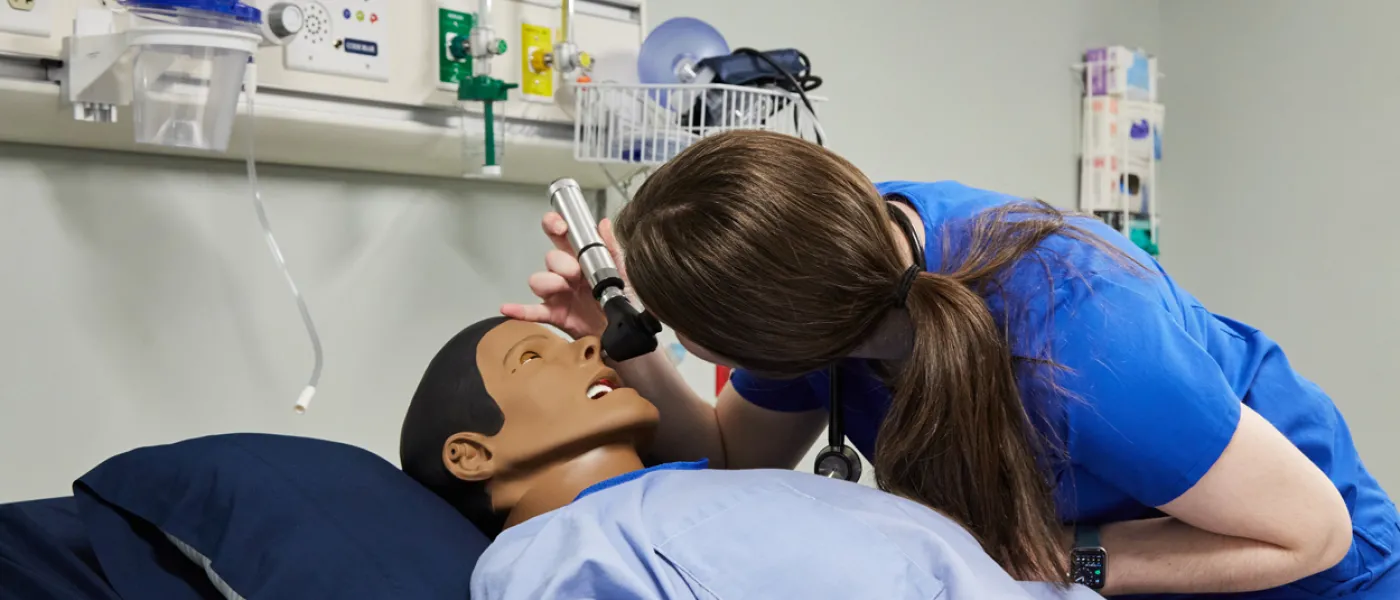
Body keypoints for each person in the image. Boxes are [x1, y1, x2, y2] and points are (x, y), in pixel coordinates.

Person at [501, 130, 1400, 598]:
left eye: (686, 333)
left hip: (1308, 575)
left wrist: (1061, 562)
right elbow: (737, 455)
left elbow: (1305, 534)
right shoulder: (825, 275)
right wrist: (633, 351)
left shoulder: (1079, 336)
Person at [399, 316, 1104, 600]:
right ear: (470, 454)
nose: (590, 348)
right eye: (533, 357)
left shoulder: (708, 493)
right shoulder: (551, 555)